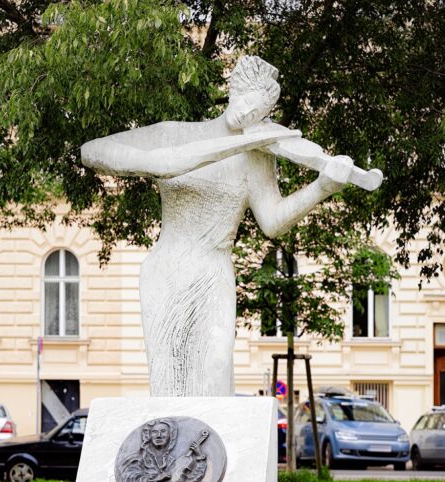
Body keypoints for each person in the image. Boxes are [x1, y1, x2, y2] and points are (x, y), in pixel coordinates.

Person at [81, 56, 355, 396]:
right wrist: (152, 162)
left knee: (216, 368)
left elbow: (272, 222)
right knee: (169, 382)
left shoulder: (257, 156)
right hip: (167, 270)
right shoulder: (176, 134)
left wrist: (321, 188)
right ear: (233, 92)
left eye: (259, 111)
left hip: (214, 270)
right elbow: (92, 151)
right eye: (246, 101)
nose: (248, 113)